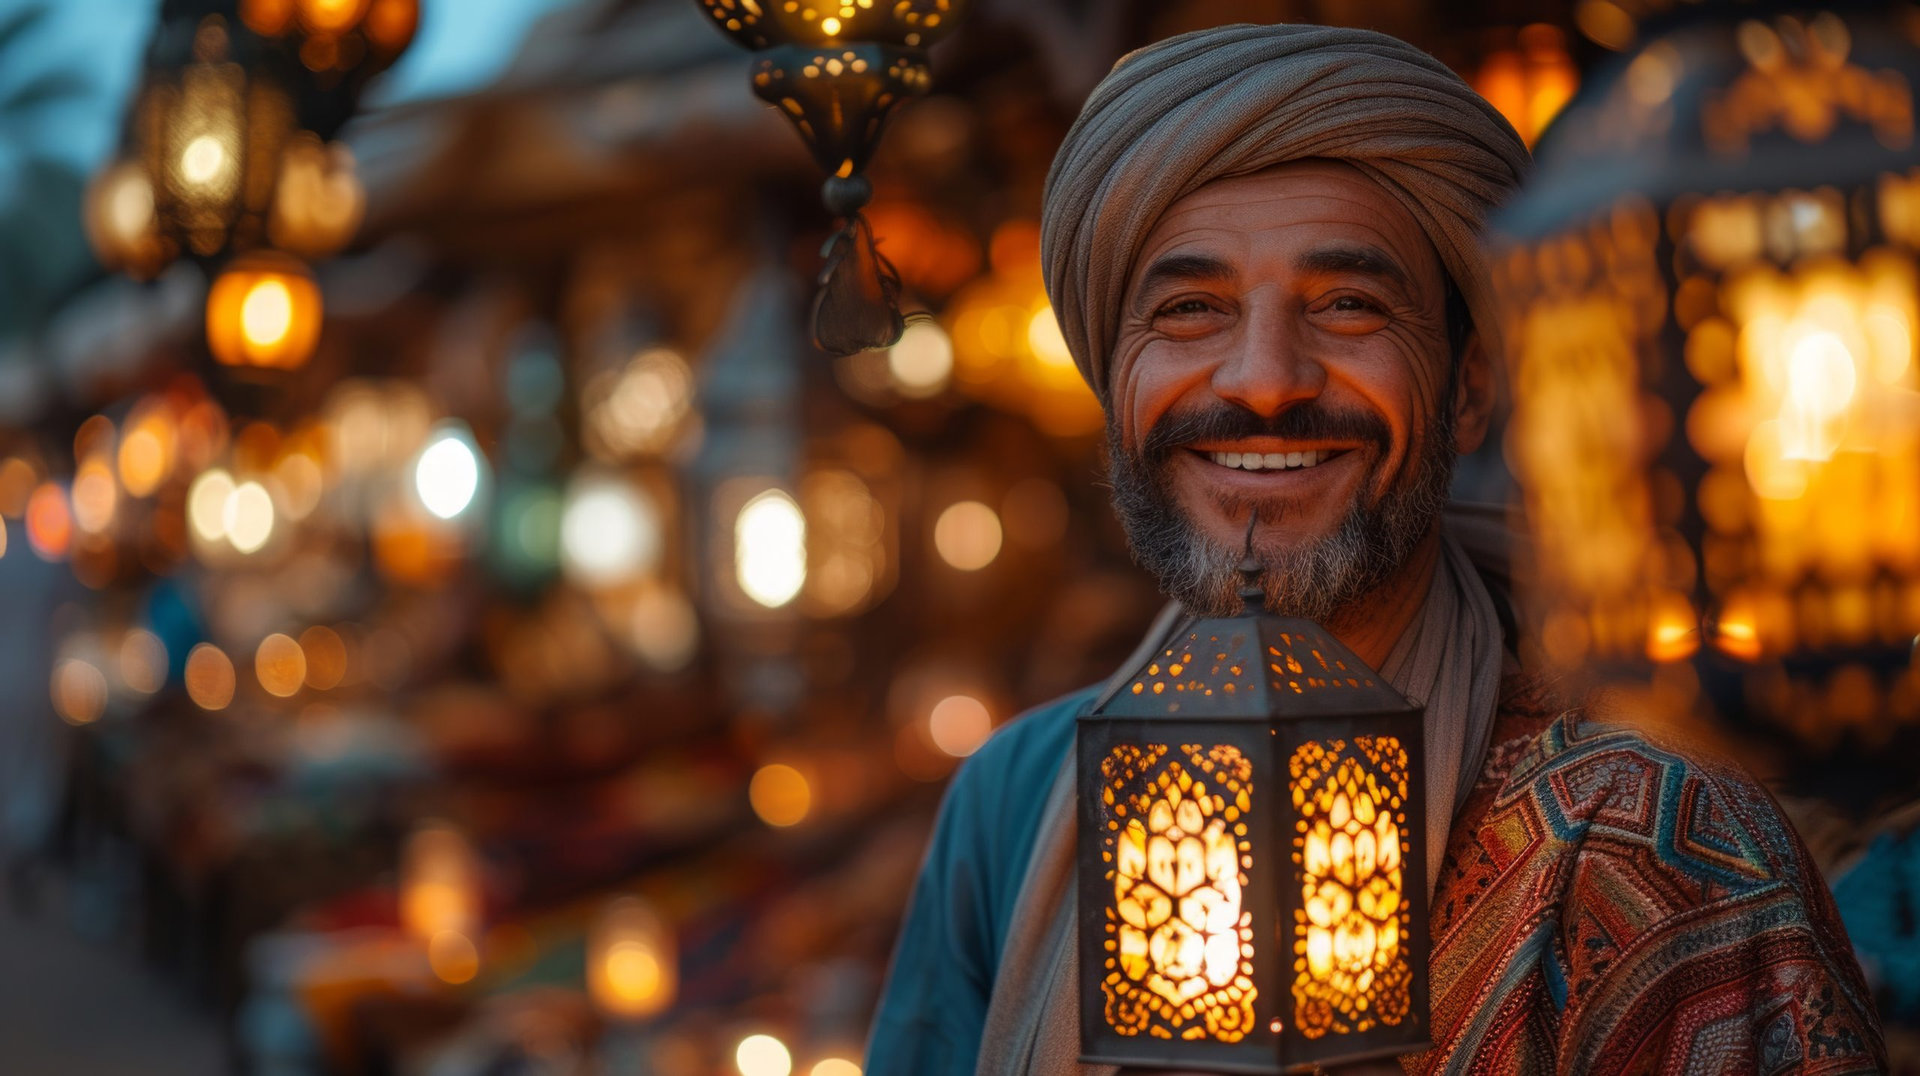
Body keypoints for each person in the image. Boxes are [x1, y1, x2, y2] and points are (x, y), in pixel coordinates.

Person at [863, 21, 1885, 1076]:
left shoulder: (1653, 836)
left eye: (1348, 305)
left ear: (1472, 384)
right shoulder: (1020, 799)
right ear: (1111, 385)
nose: (1264, 379)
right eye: (1189, 309)